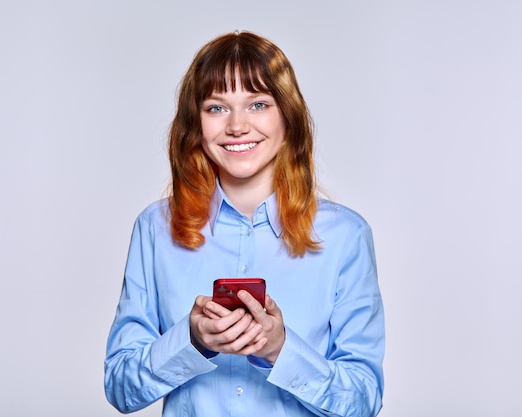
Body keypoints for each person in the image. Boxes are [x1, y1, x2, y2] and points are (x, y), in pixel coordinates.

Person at [104, 31, 385, 417]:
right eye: (217, 108)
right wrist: (191, 340)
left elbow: (364, 401)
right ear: (195, 122)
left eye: (257, 104)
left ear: (287, 115)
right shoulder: (155, 228)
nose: (237, 126)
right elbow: (120, 389)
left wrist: (280, 350)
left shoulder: (345, 237)